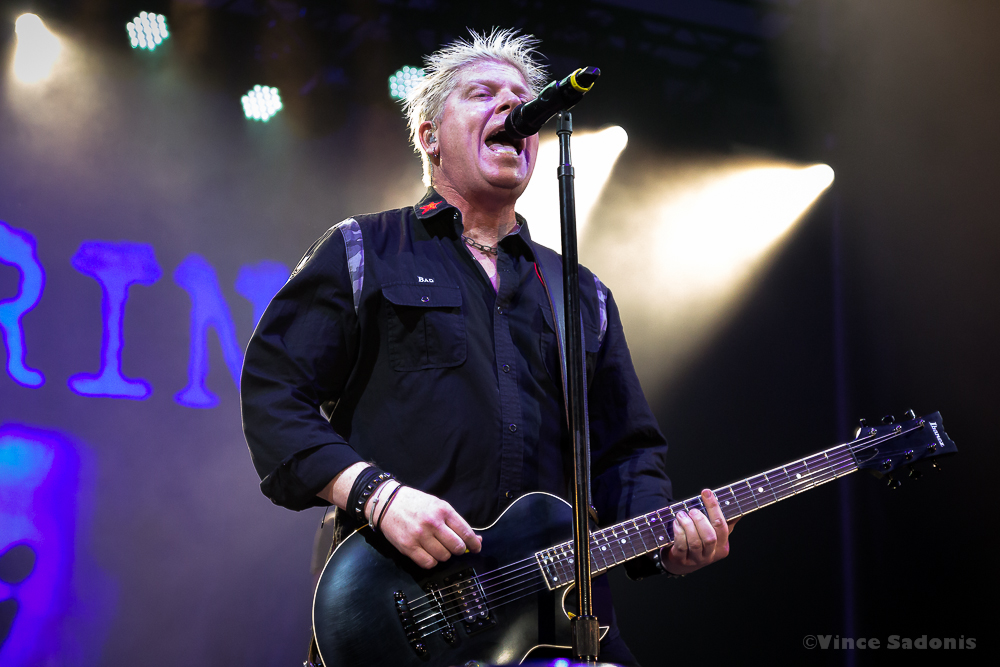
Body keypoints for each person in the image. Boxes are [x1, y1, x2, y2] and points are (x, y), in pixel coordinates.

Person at [241, 28, 736, 666]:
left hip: (554, 626)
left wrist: (666, 540)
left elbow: (627, 453)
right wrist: (376, 495)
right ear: (429, 136)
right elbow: (274, 393)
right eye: (482, 93)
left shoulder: (579, 291)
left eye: (522, 99)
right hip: (399, 614)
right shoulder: (365, 250)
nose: (511, 106)